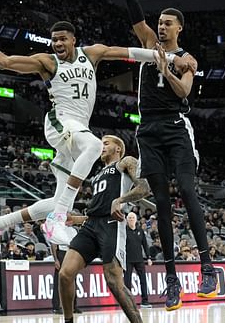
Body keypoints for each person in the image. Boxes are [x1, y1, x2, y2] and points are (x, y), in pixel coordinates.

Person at [0, 15, 191, 254]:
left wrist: (172, 58)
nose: (58, 44)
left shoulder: (92, 54)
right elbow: (5, 61)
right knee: (95, 147)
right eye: (54, 40)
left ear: (74, 40)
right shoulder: (48, 62)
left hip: (77, 133)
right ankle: (58, 218)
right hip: (60, 123)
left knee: (59, 198)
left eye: (63, 39)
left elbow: (130, 52)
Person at [125, 0, 218, 311]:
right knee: (161, 204)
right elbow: (131, 7)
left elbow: (184, 93)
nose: (161, 27)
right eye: (160, 23)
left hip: (176, 128)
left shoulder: (187, 59)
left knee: (188, 192)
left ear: (179, 28)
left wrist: (167, 70)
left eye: (167, 23)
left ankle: (207, 269)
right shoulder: (149, 43)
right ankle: (171, 280)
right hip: (147, 129)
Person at [59, 135, 151, 323]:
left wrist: (120, 200)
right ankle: (68, 320)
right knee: (65, 274)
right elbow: (98, 209)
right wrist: (77, 219)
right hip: (91, 224)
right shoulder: (97, 176)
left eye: (106, 143)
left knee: (114, 282)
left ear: (118, 148)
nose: (101, 146)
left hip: (111, 224)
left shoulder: (126, 162)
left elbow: (144, 188)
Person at [124, 212, 152, 308]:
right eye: (129, 218)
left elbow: (145, 245)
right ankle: (129, 302)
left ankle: (145, 301)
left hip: (139, 259)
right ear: (127, 220)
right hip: (128, 260)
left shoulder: (140, 230)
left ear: (136, 220)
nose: (131, 219)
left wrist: (148, 257)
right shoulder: (124, 231)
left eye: (133, 218)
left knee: (143, 280)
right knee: (127, 281)